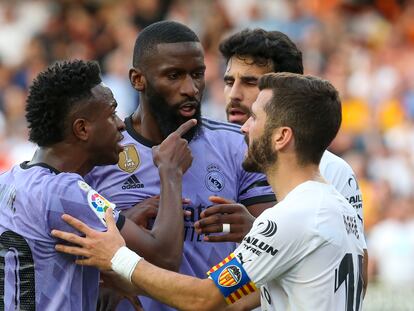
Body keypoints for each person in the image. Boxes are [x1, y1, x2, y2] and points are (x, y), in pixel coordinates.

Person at [52, 72, 365, 311]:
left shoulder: (292, 215)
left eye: (256, 118)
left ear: (282, 136)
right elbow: (229, 301)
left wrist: (117, 257)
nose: (244, 128)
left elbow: (204, 297)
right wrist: (136, 283)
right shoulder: (335, 206)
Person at [84, 21, 276, 311]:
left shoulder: (235, 144)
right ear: (138, 79)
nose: (191, 88)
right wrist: (104, 277)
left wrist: (251, 228)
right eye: (173, 76)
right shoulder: (101, 153)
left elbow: (276, 254)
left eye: (197, 75)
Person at [0, 59, 194, 310]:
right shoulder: (66, 191)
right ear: (82, 129)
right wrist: (170, 171)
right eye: (111, 113)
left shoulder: (7, 180)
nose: (121, 123)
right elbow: (165, 258)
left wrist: (123, 219)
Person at [194, 30, 368, 308]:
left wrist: (256, 230)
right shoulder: (207, 155)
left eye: (250, 82)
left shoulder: (331, 171)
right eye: (229, 81)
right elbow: (212, 234)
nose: (234, 94)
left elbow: (352, 269)